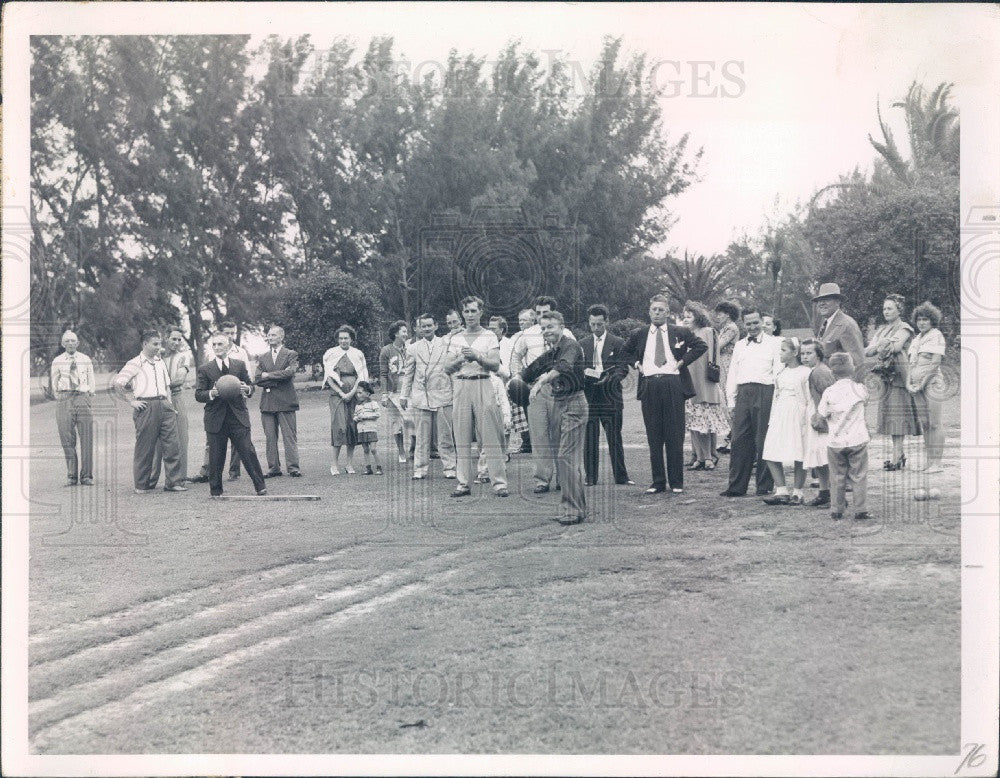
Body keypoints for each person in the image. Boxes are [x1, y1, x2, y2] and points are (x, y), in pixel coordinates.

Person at [623, 294, 707, 494]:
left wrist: (682, 361)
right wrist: (637, 364)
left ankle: (676, 482)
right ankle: (658, 482)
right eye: (654, 309)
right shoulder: (640, 333)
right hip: (650, 384)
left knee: (675, 435)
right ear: (649, 312)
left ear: (668, 313)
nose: (657, 313)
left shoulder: (680, 331)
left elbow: (700, 346)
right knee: (654, 435)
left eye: (661, 310)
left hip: (673, 384)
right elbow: (624, 352)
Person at [522, 311, 589, 524]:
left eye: (550, 327)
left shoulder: (570, 346)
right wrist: (511, 379)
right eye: (542, 328)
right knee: (567, 459)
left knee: (566, 458)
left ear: (561, 326)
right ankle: (577, 509)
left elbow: (564, 366)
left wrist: (541, 382)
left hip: (574, 404)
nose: (546, 331)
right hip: (561, 404)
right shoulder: (553, 351)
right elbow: (530, 370)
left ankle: (572, 510)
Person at [510, 296, 577, 494]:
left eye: (545, 313)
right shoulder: (527, 334)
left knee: (559, 433)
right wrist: (518, 378)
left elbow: (571, 360)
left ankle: (562, 477)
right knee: (538, 434)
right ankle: (542, 479)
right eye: (538, 313)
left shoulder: (567, 334)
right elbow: (515, 356)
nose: (541, 317)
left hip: (559, 388)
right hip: (534, 389)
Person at [444, 295, 509, 498]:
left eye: (473, 311)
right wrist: (461, 358)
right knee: (461, 436)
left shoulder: (489, 336)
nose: (470, 315)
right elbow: (447, 367)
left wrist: (477, 356)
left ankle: (499, 483)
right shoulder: (455, 338)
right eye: (466, 311)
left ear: (481, 312)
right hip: (462, 384)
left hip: (483, 382)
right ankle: (463, 483)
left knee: (490, 435)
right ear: (462, 313)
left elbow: (495, 364)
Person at [113, 330, 187, 494]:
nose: (159, 347)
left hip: (164, 405)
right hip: (146, 406)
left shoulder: (160, 362)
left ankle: (173, 482)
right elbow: (118, 383)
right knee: (145, 448)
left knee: (172, 445)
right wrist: (132, 401)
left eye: (160, 344)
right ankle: (142, 485)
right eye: (155, 344)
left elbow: (167, 385)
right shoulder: (134, 363)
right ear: (144, 344)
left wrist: (168, 403)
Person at [194, 332, 267, 497]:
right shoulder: (205, 369)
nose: (217, 347)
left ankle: (260, 486)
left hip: (237, 416)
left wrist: (247, 389)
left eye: (220, 344)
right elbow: (199, 394)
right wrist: (211, 393)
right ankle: (216, 491)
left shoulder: (239, 365)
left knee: (247, 451)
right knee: (216, 455)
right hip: (215, 418)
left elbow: (250, 386)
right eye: (214, 344)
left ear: (229, 345)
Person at [720, 306, 783, 497]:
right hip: (743, 394)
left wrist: (777, 399)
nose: (753, 326)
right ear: (744, 324)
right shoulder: (739, 345)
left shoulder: (773, 343)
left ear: (762, 323)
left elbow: (778, 372)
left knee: (764, 439)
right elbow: (733, 374)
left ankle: (764, 485)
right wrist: (731, 401)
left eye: (756, 323)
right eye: (749, 323)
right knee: (739, 439)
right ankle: (736, 486)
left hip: (765, 390)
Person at [864, 293, 920, 470]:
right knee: (890, 418)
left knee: (898, 418)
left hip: (899, 376)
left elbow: (895, 347)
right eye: (884, 308)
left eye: (889, 308)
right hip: (885, 378)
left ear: (899, 310)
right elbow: (868, 351)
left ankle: (897, 458)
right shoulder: (882, 329)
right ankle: (898, 455)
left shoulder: (904, 328)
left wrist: (880, 345)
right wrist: (883, 342)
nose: (885, 311)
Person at [400, 313, 458, 480]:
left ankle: (450, 468)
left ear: (436, 326)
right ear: (418, 328)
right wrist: (404, 395)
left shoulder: (446, 344)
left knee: (445, 436)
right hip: (421, 398)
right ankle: (420, 469)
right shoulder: (413, 348)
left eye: (429, 325)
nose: (426, 329)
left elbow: (452, 371)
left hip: (443, 395)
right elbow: (408, 374)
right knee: (422, 436)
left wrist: (455, 393)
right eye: (423, 326)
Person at [579, 304, 632, 486]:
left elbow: (622, 368)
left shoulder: (617, 343)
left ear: (606, 322)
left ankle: (621, 477)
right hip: (590, 396)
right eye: (592, 324)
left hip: (610, 396)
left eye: (599, 324)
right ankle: (591, 477)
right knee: (590, 439)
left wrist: (609, 378)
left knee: (614, 438)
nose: (596, 328)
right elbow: (579, 367)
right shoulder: (583, 344)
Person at [191, 321, 249, 483]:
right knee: (213, 441)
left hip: (235, 403)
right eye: (227, 333)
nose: (230, 336)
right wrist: (213, 393)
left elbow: (246, 381)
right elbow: (204, 383)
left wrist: (244, 391)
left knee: (238, 440)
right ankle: (208, 471)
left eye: (232, 333)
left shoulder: (241, 354)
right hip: (217, 406)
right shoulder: (212, 355)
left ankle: (234, 471)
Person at [817, 352, 871, 521]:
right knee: (859, 475)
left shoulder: (828, 392)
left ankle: (837, 509)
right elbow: (866, 401)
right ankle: (860, 509)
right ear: (852, 369)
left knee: (837, 476)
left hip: (835, 441)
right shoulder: (860, 389)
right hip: (857, 438)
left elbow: (821, 415)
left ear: (833, 373)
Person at [760, 338, 812, 505]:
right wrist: (772, 418)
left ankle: (798, 492)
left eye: (783, 350)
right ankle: (781, 490)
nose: (780, 353)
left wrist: (807, 418)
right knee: (770, 450)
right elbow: (777, 397)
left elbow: (809, 398)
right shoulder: (780, 373)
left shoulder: (806, 372)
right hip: (780, 414)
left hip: (798, 414)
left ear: (795, 353)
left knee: (799, 452)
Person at [680, 301, 728, 471]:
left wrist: (714, 377)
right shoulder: (685, 334)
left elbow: (714, 355)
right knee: (694, 422)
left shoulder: (708, 331)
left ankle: (708, 456)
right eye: (683, 317)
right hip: (689, 381)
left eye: (689, 316)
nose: (685, 319)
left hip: (705, 381)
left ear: (697, 317)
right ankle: (699, 456)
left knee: (706, 423)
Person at [50, 330, 96, 486]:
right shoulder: (57, 361)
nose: (71, 343)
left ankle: (87, 476)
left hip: (82, 397)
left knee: (87, 437)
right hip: (65, 397)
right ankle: (71, 475)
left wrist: (89, 394)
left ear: (78, 343)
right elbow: (54, 382)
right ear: (63, 344)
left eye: (73, 341)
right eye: (67, 341)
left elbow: (91, 379)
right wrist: (61, 397)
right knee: (67, 439)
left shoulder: (85, 359)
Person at [906, 301, 947, 474]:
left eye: (925, 319)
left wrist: (921, 384)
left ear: (932, 321)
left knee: (935, 423)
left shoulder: (936, 335)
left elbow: (935, 363)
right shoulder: (917, 339)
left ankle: (937, 463)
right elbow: (911, 364)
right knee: (925, 423)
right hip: (916, 386)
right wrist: (909, 382)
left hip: (932, 383)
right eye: (919, 320)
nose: (922, 323)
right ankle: (930, 461)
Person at [150, 328, 193, 487]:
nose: (176, 342)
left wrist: (161, 385)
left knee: (180, 438)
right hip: (156, 400)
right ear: (166, 338)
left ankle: (178, 479)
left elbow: (179, 379)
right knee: (155, 441)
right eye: (173, 339)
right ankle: (151, 479)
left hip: (175, 397)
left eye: (179, 339)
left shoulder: (183, 356)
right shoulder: (155, 356)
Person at [256, 325, 301, 478]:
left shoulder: (290, 354)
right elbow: (257, 379)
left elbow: (290, 373)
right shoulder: (262, 357)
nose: (270, 337)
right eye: (268, 335)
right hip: (267, 403)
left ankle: (293, 468)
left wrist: (267, 376)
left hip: (286, 401)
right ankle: (273, 468)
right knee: (270, 437)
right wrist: (276, 379)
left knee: (289, 436)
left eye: (273, 335)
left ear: (281, 337)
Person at [323, 325, 368, 475]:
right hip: (337, 396)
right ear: (337, 339)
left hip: (354, 395)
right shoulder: (331, 353)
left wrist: (352, 393)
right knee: (339, 428)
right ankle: (334, 465)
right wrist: (341, 393)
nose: (343, 341)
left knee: (351, 428)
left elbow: (361, 376)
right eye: (341, 338)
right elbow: (329, 377)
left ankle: (349, 464)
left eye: (346, 338)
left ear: (351, 339)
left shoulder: (358, 354)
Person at [800, 339, 835, 507]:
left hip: (823, 419)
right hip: (816, 416)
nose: (805, 357)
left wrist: (822, 418)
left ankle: (834, 494)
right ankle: (824, 492)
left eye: (809, 353)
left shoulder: (820, 372)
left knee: (825, 457)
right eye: (802, 353)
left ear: (819, 354)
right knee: (819, 457)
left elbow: (830, 397)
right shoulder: (813, 371)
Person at [379, 320, 416, 464]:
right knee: (396, 423)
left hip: (409, 389)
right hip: (392, 391)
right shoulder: (386, 350)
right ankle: (401, 451)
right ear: (396, 333)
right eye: (404, 331)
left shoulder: (411, 348)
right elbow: (383, 373)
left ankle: (413, 449)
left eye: (406, 332)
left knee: (411, 420)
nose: (406, 334)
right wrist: (383, 393)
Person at [812, 283, 865, 380]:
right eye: (820, 300)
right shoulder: (826, 323)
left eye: (826, 299)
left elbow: (858, 362)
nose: (821, 303)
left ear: (838, 302)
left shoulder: (847, 325)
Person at [713, 300, 741, 454]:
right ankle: (731, 437)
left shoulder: (731, 328)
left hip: (728, 364)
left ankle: (734, 438)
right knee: (725, 401)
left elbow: (718, 345)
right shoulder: (725, 328)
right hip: (723, 363)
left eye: (721, 313)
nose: (718, 316)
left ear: (728, 314)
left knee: (728, 400)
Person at [507, 308, 536, 454]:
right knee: (522, 410)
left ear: (533, 321)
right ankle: (527, 442)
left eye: (525, 320)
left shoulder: (539, 334)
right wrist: (516, 375)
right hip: (522, 379)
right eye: (520, 321)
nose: (522, 323)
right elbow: (512, 358)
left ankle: (540, 442)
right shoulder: (516, 337)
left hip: (537, 378)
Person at [352, 381, 384, 475]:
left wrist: (365, 417)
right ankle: (368, 468)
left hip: (371, 429)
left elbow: (378, 414)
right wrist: (356, 418)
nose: (358, 395)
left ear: (367, 393)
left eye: (360, 392)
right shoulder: (357, 406)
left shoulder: (373, 403)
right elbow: (355, 415)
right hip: (361, 430)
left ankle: (379, 467)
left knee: (373, 449)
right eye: (357, 393)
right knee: (365, 449)